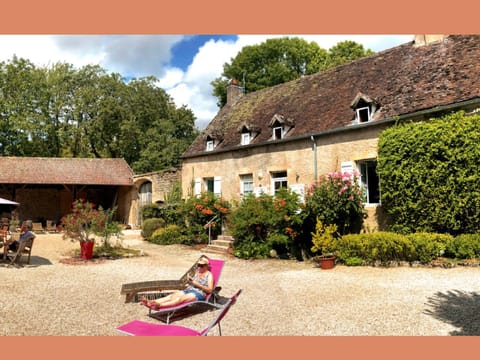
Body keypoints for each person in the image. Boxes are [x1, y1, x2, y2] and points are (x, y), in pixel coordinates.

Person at [141, 257, 214, 309]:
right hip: (190, 289)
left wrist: (196, 284)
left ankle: (159, 305)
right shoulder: (197, 272)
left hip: (199, 293)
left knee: (180, 299)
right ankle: (150, 302)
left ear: (206, 266)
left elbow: (210, 290)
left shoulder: (209, 275)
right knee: (171, 296)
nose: (199, 267)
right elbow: (193, 283)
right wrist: (190, 281)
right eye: (198, 265)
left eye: (201, 266)